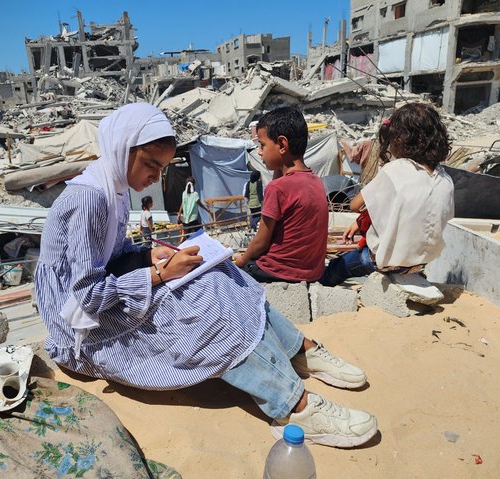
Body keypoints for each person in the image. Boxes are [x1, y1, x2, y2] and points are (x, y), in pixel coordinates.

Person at [35, 102, 377, 448]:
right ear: (122, 148)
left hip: (103, 296)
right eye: (150, 165)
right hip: (80, 325)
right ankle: (294, 404)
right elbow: (86, 296)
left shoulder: (114, 188)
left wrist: (147, 254)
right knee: (203, 306)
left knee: (220, 271)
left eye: (161, 168)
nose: (155, 177)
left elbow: (110, 252)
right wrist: (158, 273)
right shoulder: (91, 199)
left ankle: (296, 349)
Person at [319, 103, 455, 286]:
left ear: (399, 140)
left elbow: (354, 205)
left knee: (336, 267)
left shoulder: (395, 170)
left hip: (384, 262)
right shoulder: (446, 179)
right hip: (422, 262)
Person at [234, 106, 329, 284]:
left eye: (262, 145)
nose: (260, 152)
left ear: (282, 145)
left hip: (277, 271)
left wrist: (243, 259)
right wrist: (278, 167)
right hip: (313, 273)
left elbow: (261, 243)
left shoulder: (277, 189)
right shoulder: (316, 181)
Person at [177, 176, 209, 241]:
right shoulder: (195, 194)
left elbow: (182, 204)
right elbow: (199, 204)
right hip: (193, 218)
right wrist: (206, 209)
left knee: (188, 232)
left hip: (186, 218)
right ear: (193, 185)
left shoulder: (184, 194)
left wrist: (179, 213)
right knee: (198, 231)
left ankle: (191, 242)